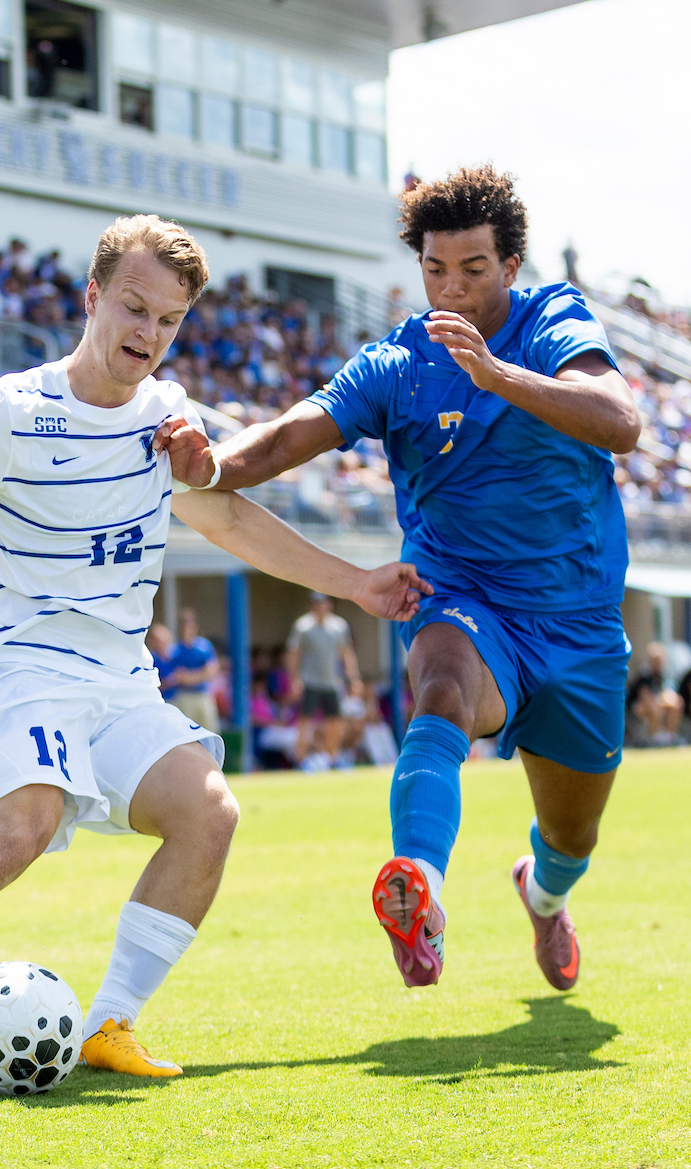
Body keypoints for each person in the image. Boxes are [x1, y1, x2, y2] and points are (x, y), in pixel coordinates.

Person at [0, 213, 431, 1100]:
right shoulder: (7, 414)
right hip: (19, 669)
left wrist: (355, 584)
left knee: (209, 813)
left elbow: (230, 519)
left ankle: (110, 1024)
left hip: (120, 684)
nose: (148, 333)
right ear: (93, 297)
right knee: (17, 831)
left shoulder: (168, 418)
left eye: (168, 320)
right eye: (134, 307)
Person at [156, 165, 641, 995]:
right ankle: (420, 887)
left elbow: (621, 423)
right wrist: (211, 465)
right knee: (441, 690)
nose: (451, 288)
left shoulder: (554, 321)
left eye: (474, 269)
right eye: (434, 268)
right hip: (461, 596)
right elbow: (287, 437)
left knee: (572, 838)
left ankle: (544, 892)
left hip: (579, 620)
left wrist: (496, 375)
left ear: (511, 265)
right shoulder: (396, 364)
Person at [286, 592, 358, 772]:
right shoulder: (303, 626)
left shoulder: (339, 626)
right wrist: (294, 679)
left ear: (329, 605)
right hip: (310, 681)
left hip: (332, 682)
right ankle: (300, 760)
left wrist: (353, 678)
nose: (320, 607)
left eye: (323, 603)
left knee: (335, 721)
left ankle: (333, 759)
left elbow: (346, 653)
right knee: (305, 720)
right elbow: (294, 654)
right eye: (317, 604)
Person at [168, 608, 220, 733]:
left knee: (209, 731)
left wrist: (190, 677)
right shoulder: (175, 649)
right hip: (184, 696)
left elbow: (212, 670)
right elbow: (178, 676)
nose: (186, 627)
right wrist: (201, 674)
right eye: (183, 623)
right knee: (186, 732)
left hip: (203, 694)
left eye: (189, 623)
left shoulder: (204, 646)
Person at [627, 641, 683, 745]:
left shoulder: (661, 676)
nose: (659, 663)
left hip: (655, 703)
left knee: (675, 704)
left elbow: (664, 694)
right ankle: (654, 739)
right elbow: (645, 698)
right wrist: (661, 701)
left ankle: (670, 737)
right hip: (636, 707)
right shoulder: (644, 676)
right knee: (654, 707)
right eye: (656, 661)